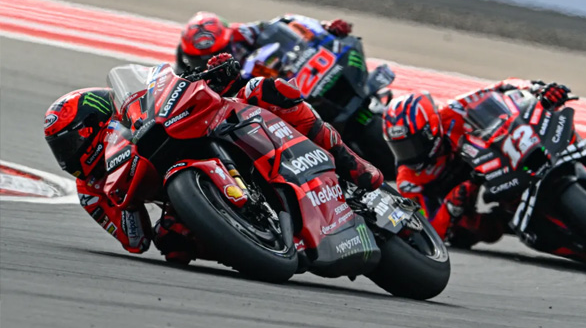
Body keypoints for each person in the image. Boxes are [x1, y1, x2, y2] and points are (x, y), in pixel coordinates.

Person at [44, 54, 383, 264]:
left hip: (215, 125)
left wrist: (215, 72)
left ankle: (349, 161)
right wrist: (123, 202)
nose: (67, 155)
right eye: (60, 148)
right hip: (180, 194)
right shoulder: (90, 190)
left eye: (69, 142)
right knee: (172, 243)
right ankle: (254, 239)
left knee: (267, 90)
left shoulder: (134, 113)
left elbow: (173, 88)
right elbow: (135, 241)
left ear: (95, 124)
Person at [382, 78, 586, 250]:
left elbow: (502, 88)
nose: (408, 153)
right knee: (485, 230)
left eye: (412, 143)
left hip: (502, 165)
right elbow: (425, 229)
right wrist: (452, 205)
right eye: (399, 146)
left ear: (431, 128)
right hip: (467, 200)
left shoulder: (453, 112)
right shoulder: (409, 179)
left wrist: (538, 90)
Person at [175, 11, 353, 73]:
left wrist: (324, 28)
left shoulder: (242, 33)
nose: (211, 62)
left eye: (215, 54)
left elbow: (285, 23)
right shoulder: (183, 68)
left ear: (228, 39)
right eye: (198, 60)